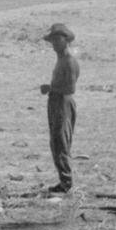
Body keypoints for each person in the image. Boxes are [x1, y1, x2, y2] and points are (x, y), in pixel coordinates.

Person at [40, 22, 79, 194]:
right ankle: (64, 181)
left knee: (61, 142)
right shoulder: (62, 59)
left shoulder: (69, 61)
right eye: (53, 41)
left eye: (58, 40)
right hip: (56, 102)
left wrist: (50, 89)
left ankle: (67, 183)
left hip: (62, 102)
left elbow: (70, 88)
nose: (55, 44)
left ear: (66, 40)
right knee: (56, 142)